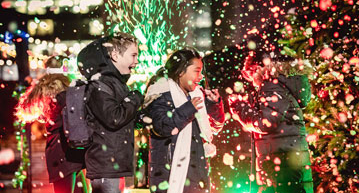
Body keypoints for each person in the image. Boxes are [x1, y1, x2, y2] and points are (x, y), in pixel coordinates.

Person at [228, 36, 314, 193]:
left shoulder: (270, 85)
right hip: (287, 160)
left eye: (250, 72)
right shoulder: (279, 84)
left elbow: (265, 123)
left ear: (258, 68)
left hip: (281, 162)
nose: (250, 79)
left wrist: (239, 107)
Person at [143, 48, 225, 193]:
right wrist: (188, 109)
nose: (201, 76)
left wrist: (214, 104)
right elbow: (161, 126)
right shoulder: (161, 94)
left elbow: (215, 127)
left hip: (195, 172)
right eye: (197, 71)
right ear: (181, 71)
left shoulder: (195, 95)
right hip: (170, 175)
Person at [76, 32, 143, 193]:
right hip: (106, 166)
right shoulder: (101, 83)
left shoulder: (115, 83)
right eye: (133, 55)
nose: (136, 61)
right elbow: (113, 118)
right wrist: (134, 98)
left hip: (112, 165)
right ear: (114, 55)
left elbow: (120, 118)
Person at [15, 55, 86, 193]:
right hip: (67, 150)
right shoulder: (68, 91)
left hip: (64, 150)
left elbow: (23, 110)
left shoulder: (47, 89)